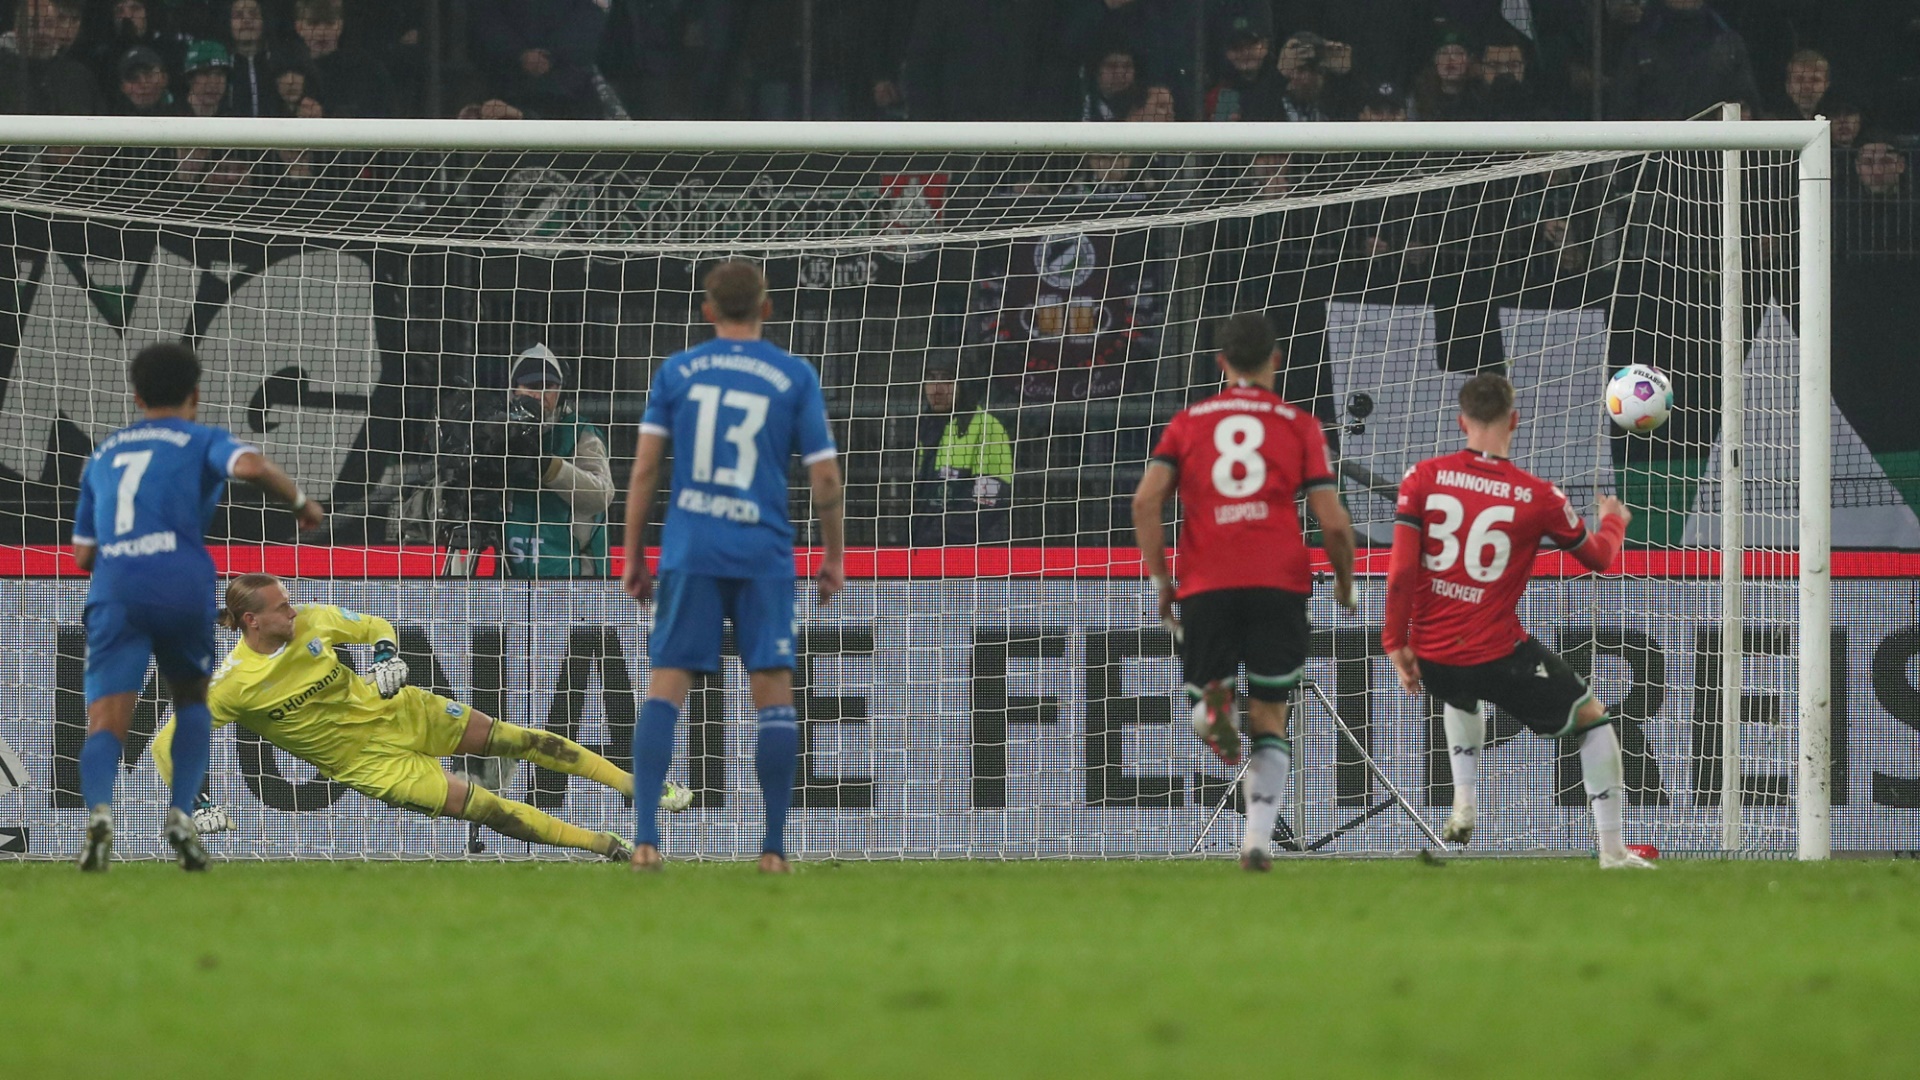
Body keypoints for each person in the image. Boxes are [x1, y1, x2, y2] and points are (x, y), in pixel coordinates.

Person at [148, 574, 694, 858]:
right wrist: (192, 799)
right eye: (282, 608)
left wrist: (386, 654)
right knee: (486, 809)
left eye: (291, 602)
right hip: (367, 766)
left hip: (399, 711)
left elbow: (373, 624)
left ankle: (636, 788)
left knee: (516, 739)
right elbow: (165, 745)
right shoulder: (233, 684)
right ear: (252, 621)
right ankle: (604, 846)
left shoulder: (313, 621)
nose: (294, 610)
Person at [623, 261, 845, 874]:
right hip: (762, 552)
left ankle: (645, 840)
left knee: (667, 685)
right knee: (772, 693)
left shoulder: (677, 372)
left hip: (691, 550)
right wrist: (832, 554)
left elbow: (645, 469)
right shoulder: (793, 375)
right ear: (767, 308)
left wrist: (636, 552)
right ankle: (772, 851)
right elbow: (824, 475)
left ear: (707, 309)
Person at [1381, 373, 1652, 870]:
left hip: (1434, 657)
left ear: (1462, 422)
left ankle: (1464, 798)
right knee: (1594, 723)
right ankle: (1613, 851)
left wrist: (1396, 642)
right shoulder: (1539, 497)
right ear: (1516, 421)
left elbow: (1399, 572)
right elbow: (1597, 559)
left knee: (1459, 690)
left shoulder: (1421, 477)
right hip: (1498, 655)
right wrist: (1614, 519)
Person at [69, 343, 322, 871]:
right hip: (180, 583)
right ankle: (182, 814)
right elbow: (249, 465)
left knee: (104, 718)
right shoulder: (200, 437)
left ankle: (98, 813)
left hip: (116, 587)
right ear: (196, 394)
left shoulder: (103, 455)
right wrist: (299, 502)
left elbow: (83, 554)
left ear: (136, 397)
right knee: (190, 704)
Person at [1131, 312, 1357, 873]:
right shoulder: (1299, 425)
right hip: (1279, 582)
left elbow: (1144, 502)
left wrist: (1163, 581)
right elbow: (1332, 521)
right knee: (1271, 715)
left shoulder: (1187, 423)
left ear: (1221, 363)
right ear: (1276, 360)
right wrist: (1346, 583)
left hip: (1207, 583)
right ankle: (1257, 839)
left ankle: (1214, 723)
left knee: (1209, 707)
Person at [502, 344, 614, 579]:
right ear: (514, 390)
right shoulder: (497, 434)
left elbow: (602, 495)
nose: (539, 395)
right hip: (510, 577)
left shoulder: (580, 433)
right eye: (531, 387)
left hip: (572, 579)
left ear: (560, 391)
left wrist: (549, 468)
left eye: (548, 387)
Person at [909, 352, 1013, 547]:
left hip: (975, 553)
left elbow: (990, 501)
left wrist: (938, 536)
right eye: (930, 378)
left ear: (963, 385)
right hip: (927, 548)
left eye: (948, 379)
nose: (936, 389)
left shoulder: (987, 427)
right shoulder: (926, 427)